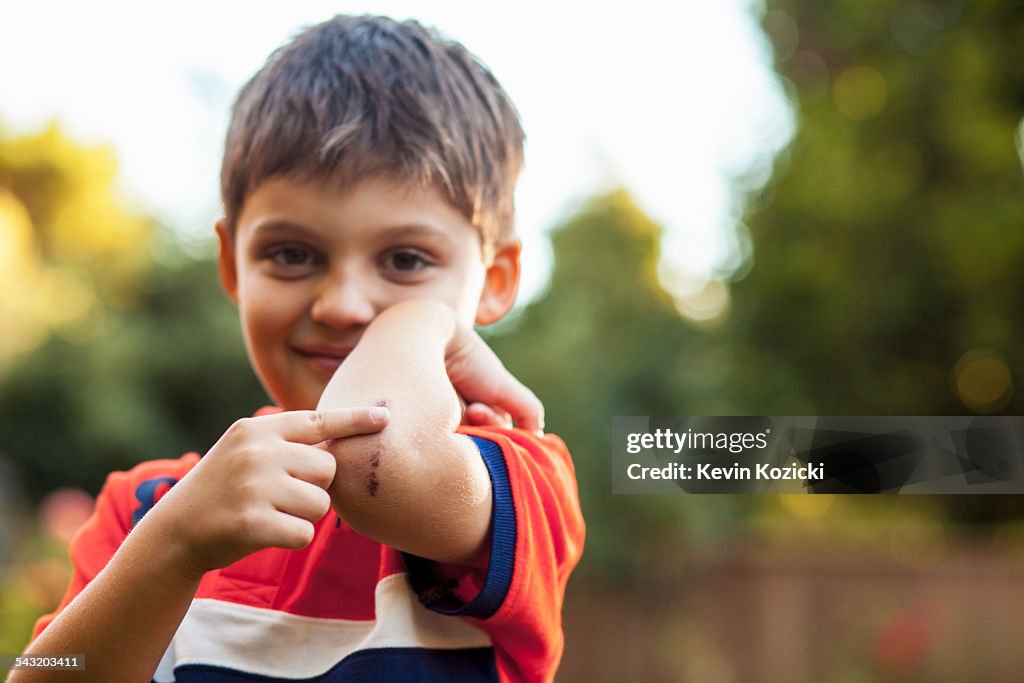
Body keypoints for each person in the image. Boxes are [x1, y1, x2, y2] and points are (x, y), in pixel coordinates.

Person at [15, 15, 584, 683]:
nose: (341, 303)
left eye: (406, 259)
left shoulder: (516, 471)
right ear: (231, 264)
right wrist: (173, 545)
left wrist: (420, 325)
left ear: (494, 281)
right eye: (292, 253)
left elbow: (378, 461)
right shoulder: (150, 508)